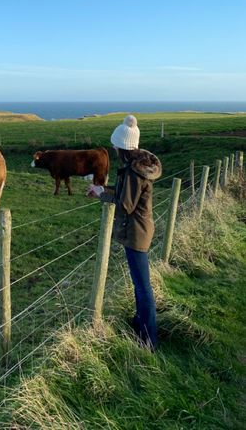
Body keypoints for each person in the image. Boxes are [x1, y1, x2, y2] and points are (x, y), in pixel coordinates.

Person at [92, 115, 162, 350]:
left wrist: (102, 194)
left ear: (123, 146)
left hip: (137, 234)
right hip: (139, 231)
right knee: (140, 284)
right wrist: (102, 189)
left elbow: (125, 205)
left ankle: (149, 340)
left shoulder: (134, 172)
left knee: (143, 287)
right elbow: (123, 194)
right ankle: (141, 324)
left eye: (115, 144)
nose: (112, 147)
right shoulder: (135, 167)